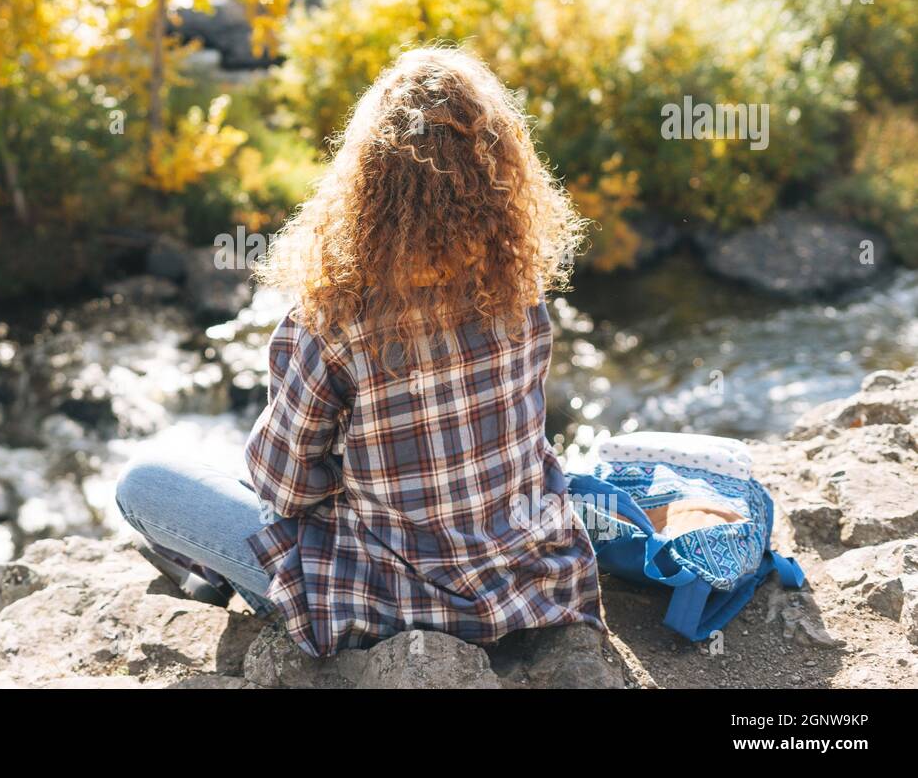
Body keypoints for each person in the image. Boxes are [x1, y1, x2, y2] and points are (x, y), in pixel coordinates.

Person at [115, 46, 604, 658]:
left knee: (145, 481)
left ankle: (214, 576)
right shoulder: (520, 297)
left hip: (384, 602)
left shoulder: (335, 320)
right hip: (526, 583)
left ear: (369, 184)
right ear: (498, 177)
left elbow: (285, 489)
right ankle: (212, 575)